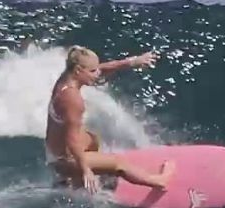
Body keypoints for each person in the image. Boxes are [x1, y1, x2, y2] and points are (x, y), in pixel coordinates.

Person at [45, 45, 174, 194]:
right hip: (63, 159)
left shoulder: (66, 79)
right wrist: (86, 169)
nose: (97, 74)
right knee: (118, 164)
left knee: (93, 140)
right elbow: (72, 141)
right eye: (93, 72)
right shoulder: (72, 99)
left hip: (55, 148)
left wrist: (132, 62)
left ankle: (75, 182)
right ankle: (159, 181)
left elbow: (101, 69)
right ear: (79, 70)